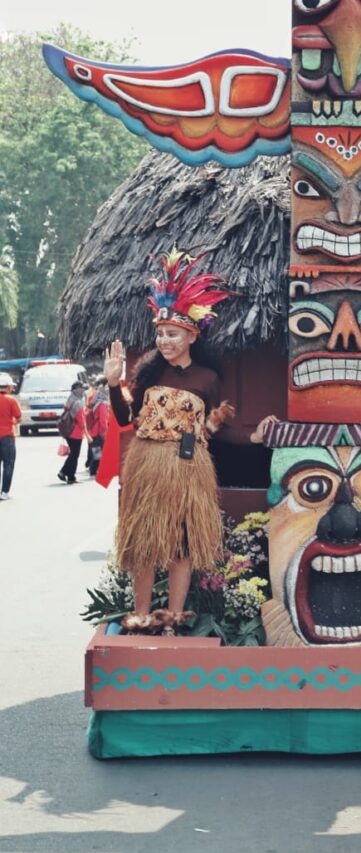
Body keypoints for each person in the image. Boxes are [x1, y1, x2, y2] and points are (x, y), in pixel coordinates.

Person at [104, 248, 273, 636]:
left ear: (191, 335)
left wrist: (252, 436)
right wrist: (114, 384)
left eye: (173, 334)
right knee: (144, 546)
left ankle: (172, 622)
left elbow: (214, 429)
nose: (164, 340)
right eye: (160, 333)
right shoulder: (148, 373)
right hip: (147, 463)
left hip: (188, 468)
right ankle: (143, 618)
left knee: (181, 548)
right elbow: (123, 418)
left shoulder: (206, 380)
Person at [57, 382, 92, 484]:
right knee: (74, 455)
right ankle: (68, 475)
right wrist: (87, 435)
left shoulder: (70, 399)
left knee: (73, 454)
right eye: (82, 389)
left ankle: (65, 473)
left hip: (68, 431)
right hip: (75, 432)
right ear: (78, 390)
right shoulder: (78, 403)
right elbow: (81, 421)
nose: (84, 391)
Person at [0, 373, 21, 500]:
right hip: (7, 436)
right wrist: (11, 422)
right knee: (8, 464)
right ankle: (4, 492)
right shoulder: (11, 400)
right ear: (7, 387)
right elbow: (18, 418)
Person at [86, 377, 110, 477]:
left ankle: (93, 469)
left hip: (94, 430)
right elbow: (103, 421)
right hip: (100, 431)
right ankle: (94, 469)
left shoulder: (96, 403)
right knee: (100, 452)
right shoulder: (103, 404)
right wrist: (105, 433)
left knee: (96, 451)